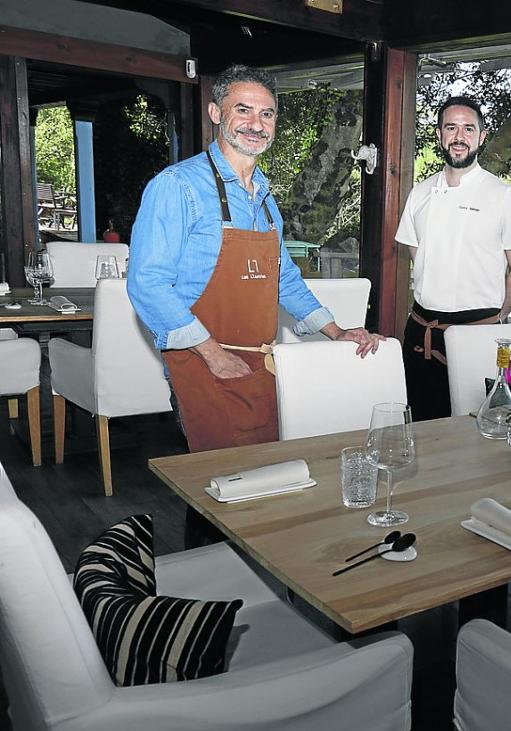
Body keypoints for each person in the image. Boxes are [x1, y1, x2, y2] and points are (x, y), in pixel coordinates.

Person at [129, 64, 383, 453]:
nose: (256, 123)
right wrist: (214, 354)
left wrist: (336, 331)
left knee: (257, 484)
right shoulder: (177, 186)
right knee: (216, 485)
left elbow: (285, 281)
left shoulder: (265, 200)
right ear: (216, 114)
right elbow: (147, 284)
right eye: (243, 109)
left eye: (267, 113)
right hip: (201, 363)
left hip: (257, 365)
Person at [395, 95, 511, 420]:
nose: (459, 137)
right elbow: (420, 258)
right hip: (420, 333)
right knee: (422, 429)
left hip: (479, 334)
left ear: (481, 136)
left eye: (468, 129)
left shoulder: (504, 197)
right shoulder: (419, 194)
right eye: (451, 127)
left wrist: (493, 320)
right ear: (439, 135)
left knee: (479, 435)